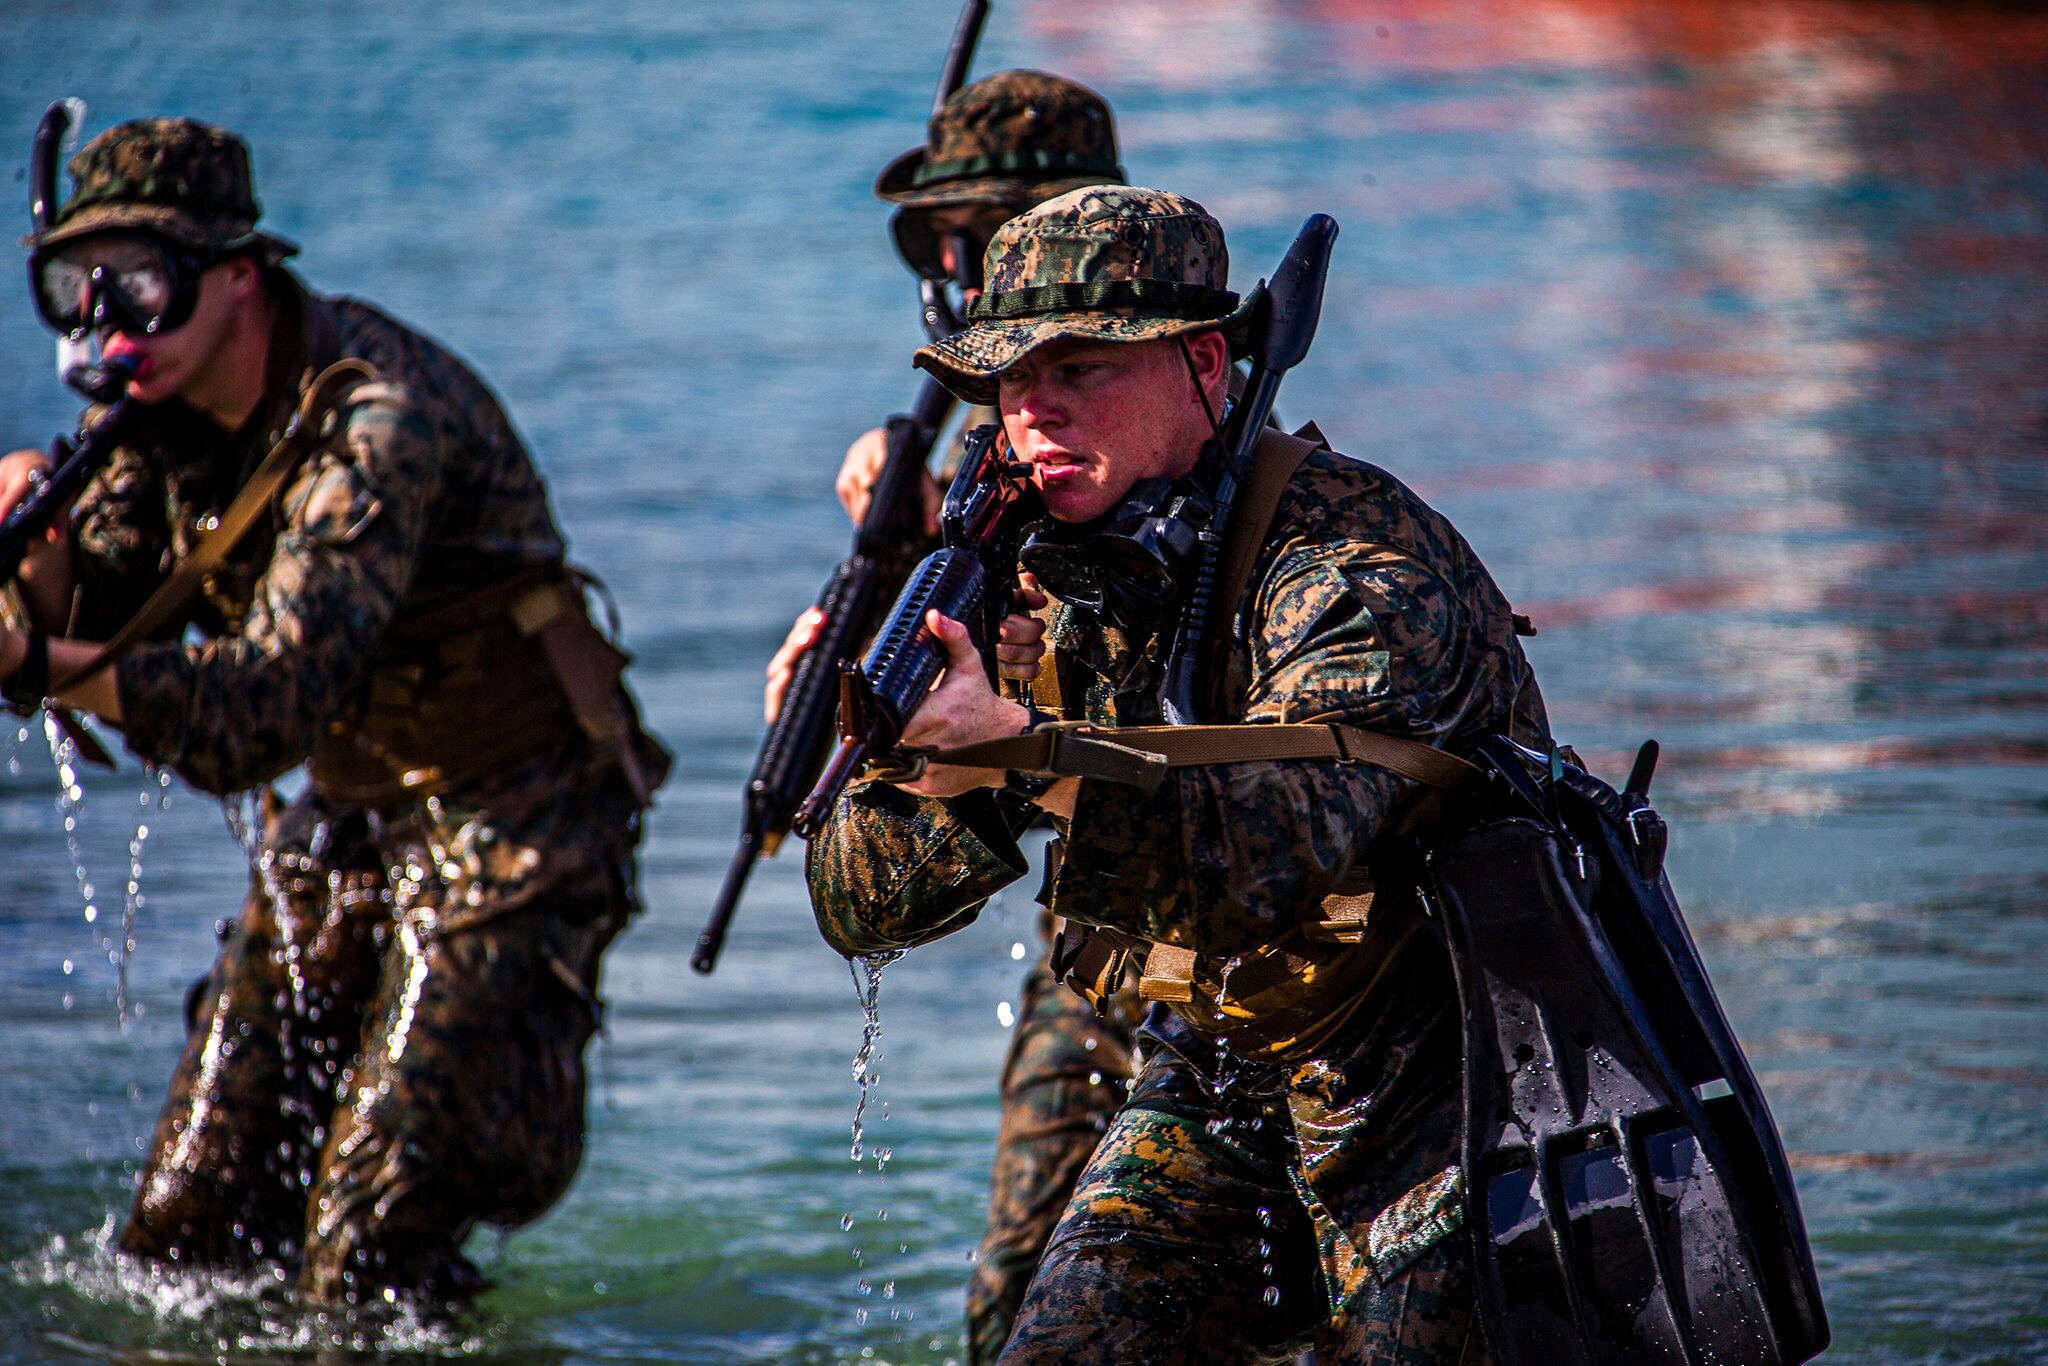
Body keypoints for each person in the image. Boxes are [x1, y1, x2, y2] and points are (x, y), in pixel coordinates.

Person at [806, 185, 1549, 1362]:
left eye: (1080, 368)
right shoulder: (1054, 575)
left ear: (1204, 362)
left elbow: (1263, 853)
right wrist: (934, 755)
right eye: (1008, 380)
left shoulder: (1351, 566)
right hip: (1221, 1068)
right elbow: (863, 907)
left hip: (1451, 1076)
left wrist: (1022, 749)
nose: (1032, 411)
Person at [0, 118, 668, 1306]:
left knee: (366, 1243)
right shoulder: (154, 423)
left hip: (520, 806)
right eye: (74, 288)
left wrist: (40, 659)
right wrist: (34, 570)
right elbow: (97, 607)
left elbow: (259, 712)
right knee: (182, 1224)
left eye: (142, 286)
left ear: (239, 274)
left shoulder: (376, 421)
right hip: (356, 808)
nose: (108, 323)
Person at [763, 70, 1145, 1362]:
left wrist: (1019, 723)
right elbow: (867, 898)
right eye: (957, 256)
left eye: (994, 240)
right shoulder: (984, 468)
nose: (978, 279)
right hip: (1105, 931)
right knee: (1018, 1311)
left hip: (1272, 950)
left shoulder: (1175, 439)